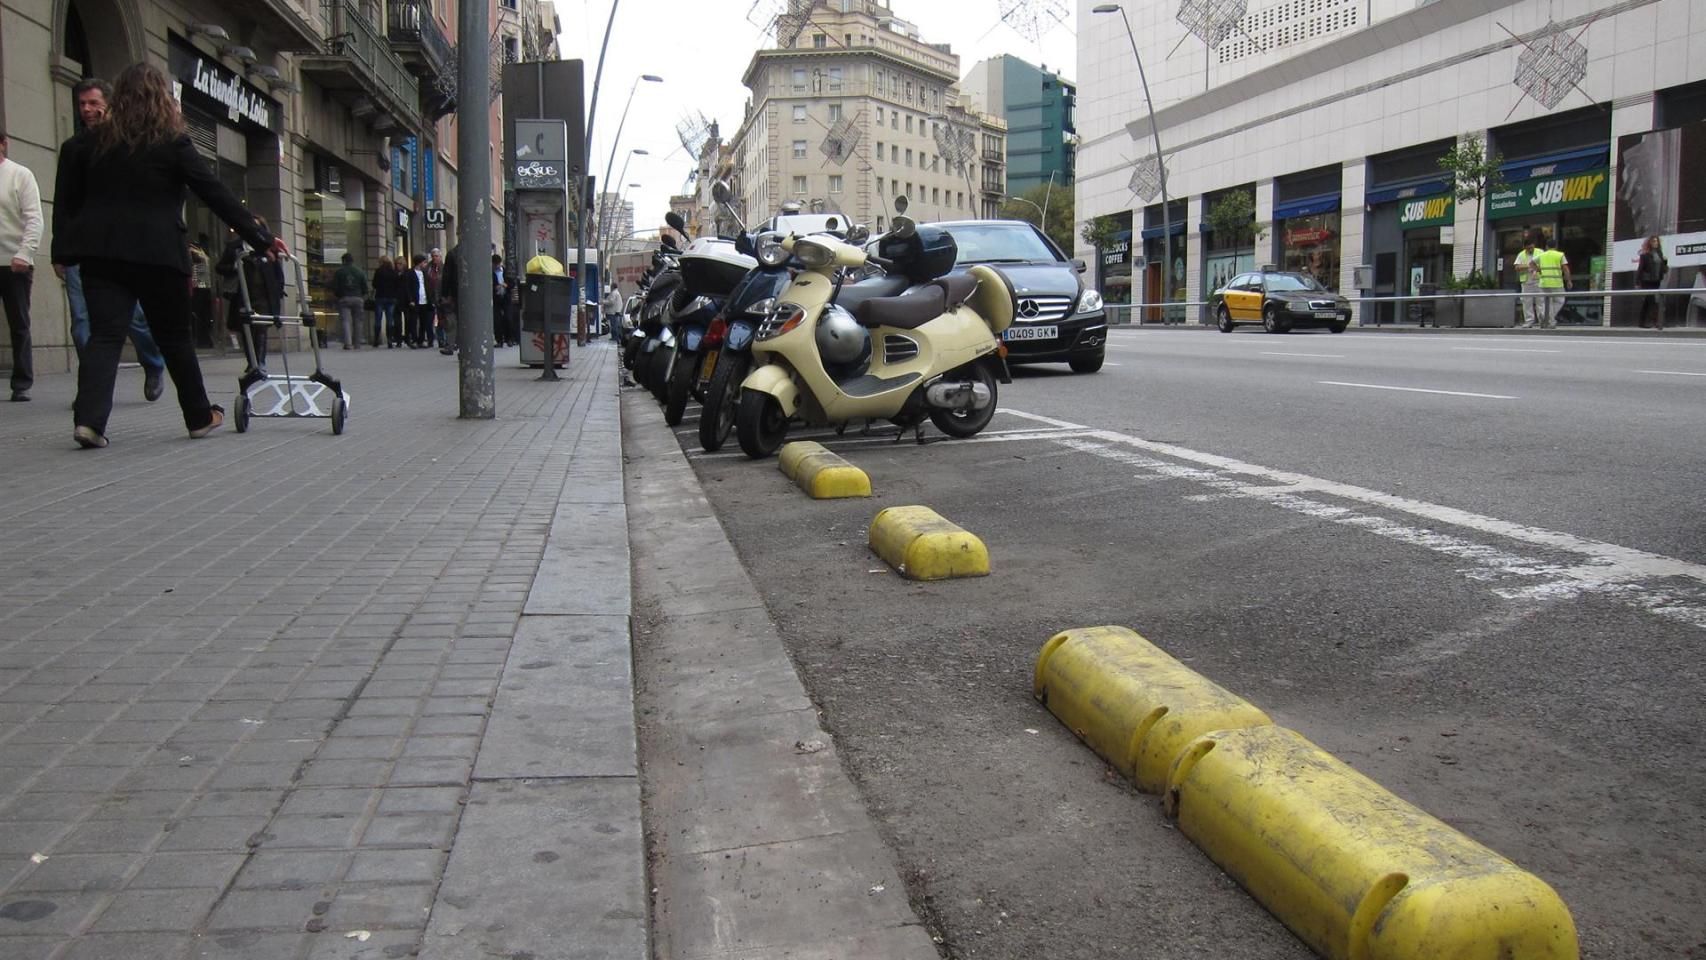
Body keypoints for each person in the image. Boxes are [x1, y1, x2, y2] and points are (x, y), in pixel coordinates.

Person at [53, 62, 284, 448]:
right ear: (162, 99)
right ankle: (197, 416)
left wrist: (62, 253)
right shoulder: (171, 142)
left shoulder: (85, 145)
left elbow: (66, 204)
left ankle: (90, 422)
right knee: (175, 337)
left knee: (105, 337)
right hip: (159, 254)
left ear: (118, 98)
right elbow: (214, 193)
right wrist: (260, 238)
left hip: (102, 256)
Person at [56, 78, 168, 402]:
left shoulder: (126, 146)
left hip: (117, 249)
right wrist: (60, 251)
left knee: (131, 320)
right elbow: (64, 201)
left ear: (109, 104)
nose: (88, 110)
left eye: (93, 103)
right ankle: (89, 392)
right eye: (82, 104)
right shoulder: (75, 148)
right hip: (83, 248)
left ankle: (153, 363)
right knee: (81, 324)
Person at [0, 123, 43, 402]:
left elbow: (34, 218)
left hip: (14, 261)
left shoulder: (19, 175)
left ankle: (22, 382)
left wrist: (25, 254)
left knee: (18, 322)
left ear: (2, 144)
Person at [218, 216, 285, 381]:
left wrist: (279, 289)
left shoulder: (270, 247)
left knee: (260, 328)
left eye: (258, 228)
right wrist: (235, 265)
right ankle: (251, 361)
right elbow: (220, 267)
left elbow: (277, 272)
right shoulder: (235, 247)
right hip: (243, 294)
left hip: (263, 294)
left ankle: (260, 362)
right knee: (246, 328)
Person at [1533, 232, 1570, 329]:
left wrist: (1538, 269)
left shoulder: (1542, 255)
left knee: (1546, 302)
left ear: (1546, 246)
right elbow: (1565, 269)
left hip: (1543, 283)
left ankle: (1544, 316)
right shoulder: (1560, 255)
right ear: (1555, 246)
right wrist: (1569, 281)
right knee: (1560, 300)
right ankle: (1549, 318)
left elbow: (1531, 263)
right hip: (1556, 282)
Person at [331, 252, 368, 349]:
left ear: (343, 261)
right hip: (358, 298)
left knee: (346, 321)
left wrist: (338, 295)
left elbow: (335, 286)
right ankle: (357, 343)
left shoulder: (339, 272)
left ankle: (348, 343)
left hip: (344, 298)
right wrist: (361, 295)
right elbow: (365, 288)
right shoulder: (360, 271)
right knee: (358, 321)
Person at [1635, 235, 1668, 330]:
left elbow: (1664, 270)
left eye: (1657, 241)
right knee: (1652, 301)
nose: (1655, 243)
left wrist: (1665, 262)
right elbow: (1640, 269)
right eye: (1653, 241)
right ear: (1650, 243)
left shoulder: (1659, 253)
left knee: (1647, 302)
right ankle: (1656, 322)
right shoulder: (1645, 255)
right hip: (1647, 281)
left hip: (1656, 281)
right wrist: (1637, 282)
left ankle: (1641, 322)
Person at [1513, 232, 1542, 328]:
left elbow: (1544, 264)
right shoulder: (1521, 254)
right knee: (1527, 302)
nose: (1530, 249)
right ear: (1524, 247)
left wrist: (1536, 268)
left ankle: (1542, 320)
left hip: (1538, 280)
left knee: (1540, 301)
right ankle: (1529, 321)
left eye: (1532, 247)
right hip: (1526, 282)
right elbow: (1517, 267)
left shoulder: (1540, 252)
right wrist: (1528, 266)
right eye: (1528, 248)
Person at [436, 245, 460, 355]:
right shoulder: (475, 250)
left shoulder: (453, 253)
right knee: (455, 320)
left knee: (451, 321)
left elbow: (447, 275)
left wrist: (445, 294)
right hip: (463, 294)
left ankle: (451, 345)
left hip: (454, 293)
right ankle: (457, 345)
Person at [372, 255, 400, 347]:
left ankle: (376, 340)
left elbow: (374, 284)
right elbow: (397, 285)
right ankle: (389, 340)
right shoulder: (393, 272)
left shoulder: (378, 271)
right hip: (391, 298)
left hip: (380, 297)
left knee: (378, 319)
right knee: (390, 320)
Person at [403, 253, 430, 347]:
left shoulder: (425, 273)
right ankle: (414, 339)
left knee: (423, 321)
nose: (425, 264)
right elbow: (407, 287)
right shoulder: (410, 273)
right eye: (424, 262)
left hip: (424, 300)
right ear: (419, 263)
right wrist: (410, 299)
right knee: (413, 321)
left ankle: (422, 340)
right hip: (415, 299)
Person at [424, 247, 443, 348]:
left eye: (436, 256)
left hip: (441, 297)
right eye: (433, 256)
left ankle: (441, 340)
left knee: (441, 320)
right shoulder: (427, 268)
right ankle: (430, 340)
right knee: (429, 320)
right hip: (429, 296)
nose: (435, 258)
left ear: (440, 257)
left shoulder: (444, 267)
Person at [493, 255, 512, 347]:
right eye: (495, 264)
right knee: (497, 320)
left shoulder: (506, 271)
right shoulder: (490, 273)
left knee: (508, 318)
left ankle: (509, 339)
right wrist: (495, 287)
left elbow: (512, 282)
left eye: (497, 264)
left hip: (505, 298)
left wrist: (506, 285)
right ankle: (499, 340)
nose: (496, 266)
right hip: (496, 298)